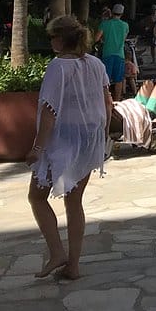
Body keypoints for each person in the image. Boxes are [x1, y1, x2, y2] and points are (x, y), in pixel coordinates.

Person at [27, 16, 111, 281]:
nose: (50, 41)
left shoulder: (58, 67)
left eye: (53, 36)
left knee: (36, 197)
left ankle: (57, 252)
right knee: (74, 202)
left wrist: (37, 148)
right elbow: (107, 101)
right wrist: (103, 134)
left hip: (62, 141)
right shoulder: (95, 64)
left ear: (61, 39)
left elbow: (49, 111)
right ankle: (72, 264)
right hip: (87, 139)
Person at [95, 4, 129, 100]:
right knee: (119, 79)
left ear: (112, 12)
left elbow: (96, 38)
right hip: (120, 54)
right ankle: (117, 100)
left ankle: (106, 99)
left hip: (107, 53)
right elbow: (124, 39)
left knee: (106, 79)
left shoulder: (105, 24)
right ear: (122, 13)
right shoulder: (125, 25)